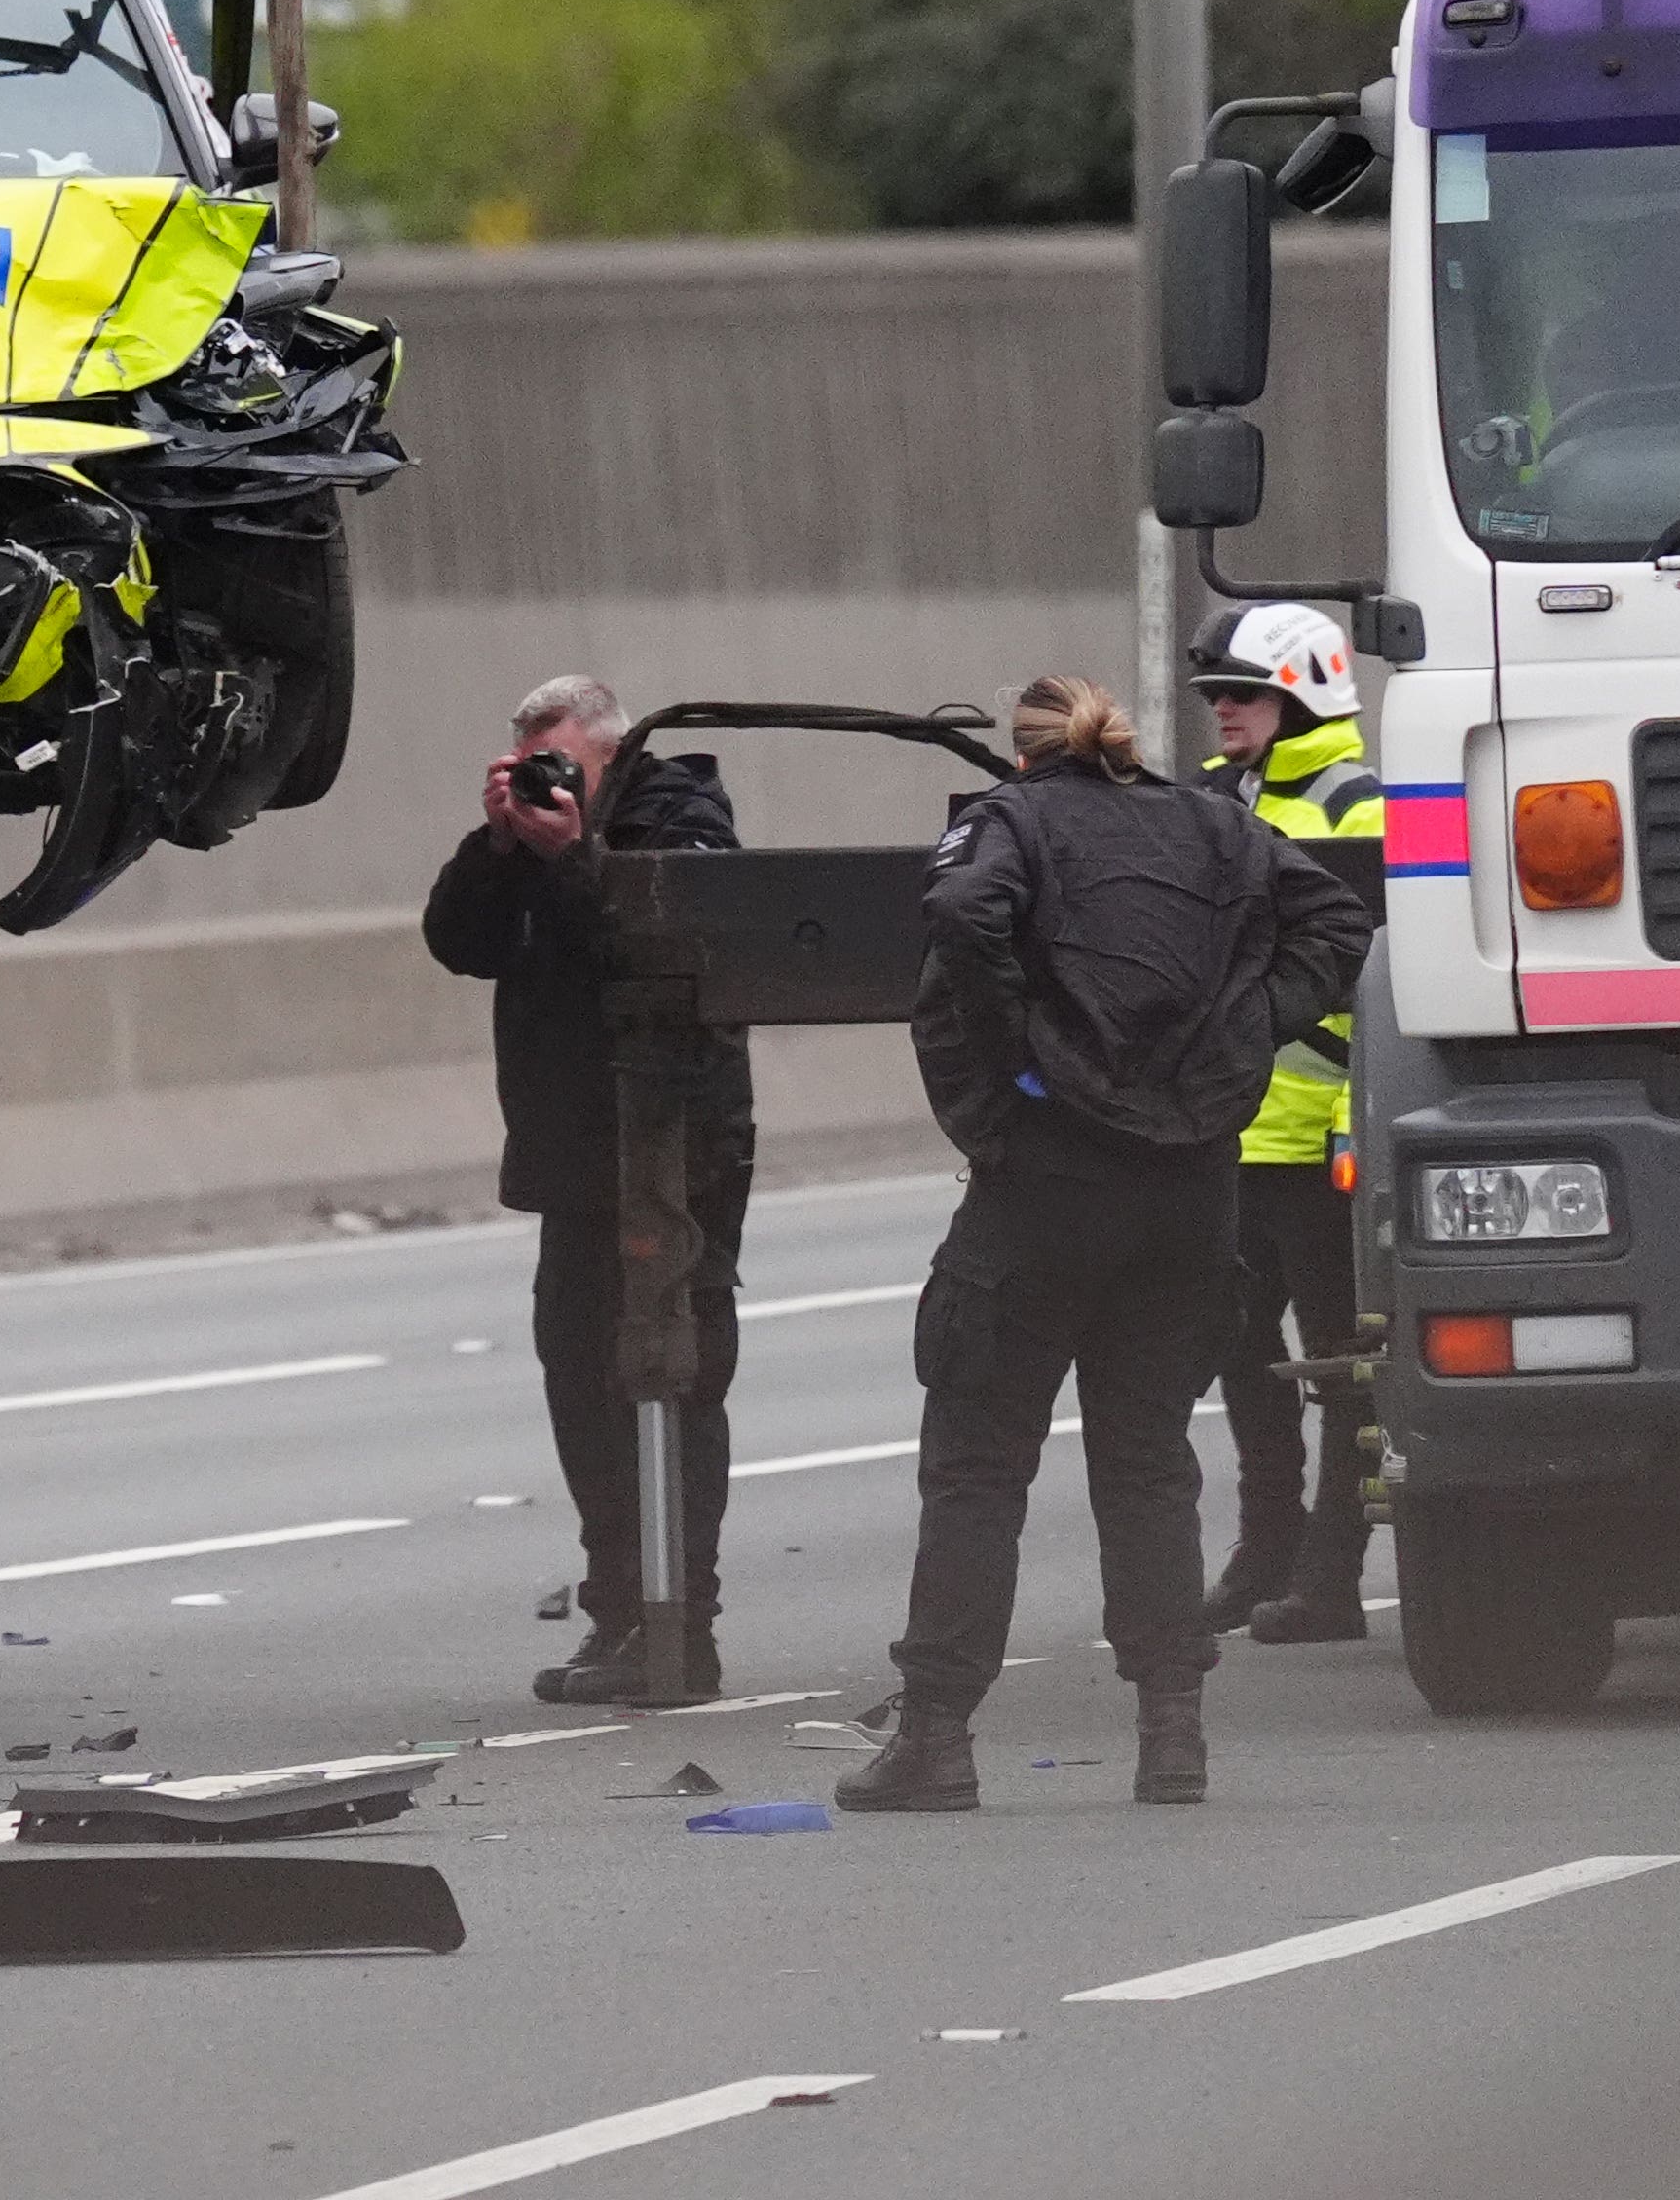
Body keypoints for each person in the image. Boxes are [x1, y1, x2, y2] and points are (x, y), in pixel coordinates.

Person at [837, 675, 1367, 1818]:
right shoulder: (1216, 821)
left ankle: (935, 1738)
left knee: (979, 1460)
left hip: (1046, 1184)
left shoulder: (1009, 822)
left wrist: (1026, 1068)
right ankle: (1172, 1733)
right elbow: (1337, 919)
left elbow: (960, 922)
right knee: (1147, 1459)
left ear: (1026, 756)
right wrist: (1242, 1026)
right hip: (1189, 1190)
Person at [423, 675, 749, 1703]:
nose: (546, 782)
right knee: (579, 1371)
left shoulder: (680, 819)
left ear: (613, 755)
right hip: (575, 1152)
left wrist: (576, 859)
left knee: (674, 1372)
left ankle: (681, 1628)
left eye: (561, 764)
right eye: (527, 767)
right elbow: (458, 943)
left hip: (678, 1148)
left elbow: (659, 950)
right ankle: (618, 1612)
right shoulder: (533, 843)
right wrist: (501, 847)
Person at [1194, 603, 1386, 1647]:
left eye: (1242, 692)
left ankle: (1333, 1571)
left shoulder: (1364, 805)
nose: (1223, 709)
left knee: (1342, 1365)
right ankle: (1265, 1549)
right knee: (1238, 1356)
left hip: (1325, 1141)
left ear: (1303, 691)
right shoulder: (1213, 800)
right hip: (1230, 1134)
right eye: (1216, 695)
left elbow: (1381, 967)